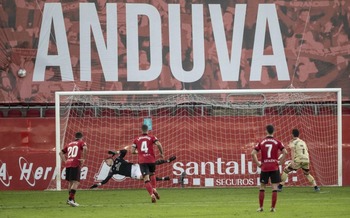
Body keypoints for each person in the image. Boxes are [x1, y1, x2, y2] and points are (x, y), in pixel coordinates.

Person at [90, 149, 176, 189]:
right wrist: (98, 184)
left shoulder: (118, 159)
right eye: (106, 163)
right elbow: (106, 180)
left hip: (135, 166)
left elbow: (124, 151)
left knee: (151, 163)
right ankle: (163, 178)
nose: (106, 163)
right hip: (133, 174)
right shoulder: (112, 170)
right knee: (146, 177)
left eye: (106, 161)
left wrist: (116, 152)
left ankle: (167, 161)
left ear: (110, 159)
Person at [251, 124, 287, 212]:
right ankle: (273, 208)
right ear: (273, 131)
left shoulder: (262, 142)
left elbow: (253, 153)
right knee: (275, 187)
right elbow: (285, 152)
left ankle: (261, 207)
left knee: (262, 187)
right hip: (274, 167)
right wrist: (280, 163)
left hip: (265, 167)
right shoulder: (277, 141)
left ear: (266, 131)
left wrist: (258, 164)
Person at [131, 124, 164, 203]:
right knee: (152, 174)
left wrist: (139, 152)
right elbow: (159, 144)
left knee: (146, 179)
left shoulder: (136, 139)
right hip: (151, 160)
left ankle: (152, 195)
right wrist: (161, 153)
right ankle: (154, 188)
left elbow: (132, 151)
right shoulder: (152, 137)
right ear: (148, 130)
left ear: (141, 130)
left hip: (142, 161)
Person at [59, 132, 87, 207]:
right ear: (81, 137)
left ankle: (71, 200)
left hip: (68, 164)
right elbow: (85, 148)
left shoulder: (69, 144)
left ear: (75, 137)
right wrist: (84, 158)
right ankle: (70, 199)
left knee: (71, 182)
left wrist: (65, 161)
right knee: (76, 182)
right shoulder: (81, 142)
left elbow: (60, 153)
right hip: (75, 163)